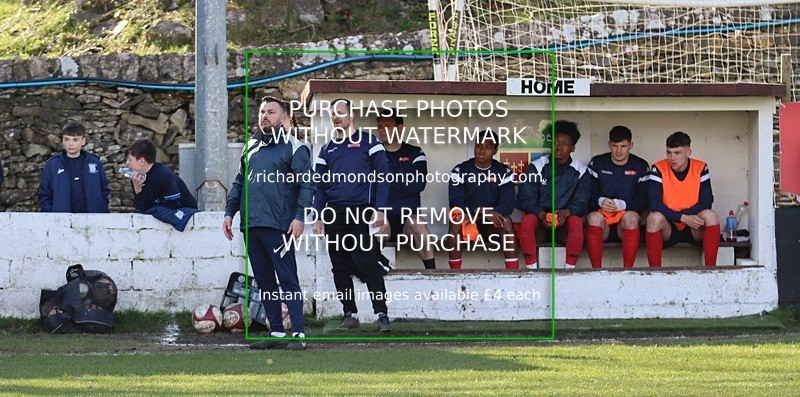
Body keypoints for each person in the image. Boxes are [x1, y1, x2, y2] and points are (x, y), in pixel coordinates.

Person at [224, 96, 313, 350]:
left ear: (284, 117)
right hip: (251, 224)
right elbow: (239, 183)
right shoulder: (250, 146)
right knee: (264, 280)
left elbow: (306, 185)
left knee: (287, 278)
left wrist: (299, 217)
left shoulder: (296, 147)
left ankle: (298, 334)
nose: (265, 116)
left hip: (280, 225)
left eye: (271, 112)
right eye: (262, 112)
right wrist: (229, 212)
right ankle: (276, 333)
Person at [312, 98, 393, 332]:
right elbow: (320, 188)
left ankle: (382, 314)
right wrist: (318, 217)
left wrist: (379, 209)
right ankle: (350, 314)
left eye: (340, 112)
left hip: (363, 213)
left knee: (367, 261)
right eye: (332, 114)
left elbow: (383, 177)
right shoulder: (326, 149)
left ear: (351, 115)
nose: (336, 117)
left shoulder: (371, 142)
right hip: (334, 214)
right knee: (340, 265)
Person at [517, 120, 590, 269]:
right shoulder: (537, 166)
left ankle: (569, 270)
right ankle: (531, 270)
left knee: (576, 222)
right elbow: (524, 199)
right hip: (541, 223)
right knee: (527, 221)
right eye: (555, 142)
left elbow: (582, 203)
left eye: (564, 144)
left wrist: (565, 214)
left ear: (572, 148)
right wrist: (542, 214)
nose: (559, 147)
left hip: (564, 225)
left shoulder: (580, 171)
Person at [446, 129, 518, 270]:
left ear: (495, 150)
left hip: (493, 222)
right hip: (470, 220)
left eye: (488, 147)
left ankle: (513, 272)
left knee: (507, 222)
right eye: (478, 146)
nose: (481, 151)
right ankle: (454, 272)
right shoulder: (460, 170)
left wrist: (491, 213)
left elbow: (508, 204)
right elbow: (455, 204)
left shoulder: (504, 172)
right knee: (455, 220)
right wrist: (480, 212)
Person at [646, 131, 720, 267]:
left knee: (711, 216)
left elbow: (707, 201)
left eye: (677, 153)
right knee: (653, 218)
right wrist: (682, 217)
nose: (672, 158)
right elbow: (654, 203)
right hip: (669, 225)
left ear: (688, 152)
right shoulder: (658, 168)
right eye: (669, 152)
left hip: (693, 225)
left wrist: (687, 217)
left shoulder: (700, 167)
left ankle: (711, 270)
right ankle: (654, 272)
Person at [375, 109, 436, 269]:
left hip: (407, 222)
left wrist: (386, 180)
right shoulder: (374, 154)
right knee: (377, 224)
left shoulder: (415, 152)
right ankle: (372, 271)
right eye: (379, 126)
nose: (382, 130)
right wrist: (403, 181)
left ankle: (432, 273)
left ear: (399, 128)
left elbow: (418, 184)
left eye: (387, 126)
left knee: (419, 223)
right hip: (384, 218)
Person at [585, 126, 650, 268]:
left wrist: (623, 205)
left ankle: (628, 270)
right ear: (609, 145)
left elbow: (645, 200)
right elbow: (586, 194)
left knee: (631, 217)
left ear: (631, 145)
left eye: (623, 146)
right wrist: (600, 201)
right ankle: (596, 271)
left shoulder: (640, 165)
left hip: (625, 223)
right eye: (615, 146)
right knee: (593, 217)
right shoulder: (597, 162)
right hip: (603, 222)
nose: (619, 150)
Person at [125, 139, 198, 231]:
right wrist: (137, 188)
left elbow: (174, 204)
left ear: (141, 161)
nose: (127, 163)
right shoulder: (137, 177)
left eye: (129, 159)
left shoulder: (163, 174)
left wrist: (154, 208)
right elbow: (142, 208)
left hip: (188, 220)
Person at [38, 122, 110, 213]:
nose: (70, 143)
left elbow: (104, 190)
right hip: (61, 221)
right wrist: (52, 214)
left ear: (83, 141)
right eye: (67, 139)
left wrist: (101, 209)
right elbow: (44, 194)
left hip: (92, 219)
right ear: (62, 141)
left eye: (75, 140)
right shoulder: (52, 165)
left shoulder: (94, 163)